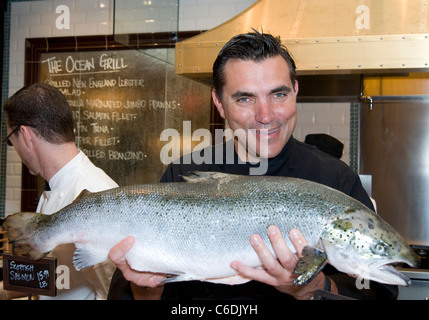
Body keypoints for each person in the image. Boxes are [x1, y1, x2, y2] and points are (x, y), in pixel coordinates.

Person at [107, 31, 397, 300]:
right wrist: (144, 285)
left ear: (295, 92)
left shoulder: (335, 180)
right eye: (245, 98)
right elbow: (136, 294)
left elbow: (380, 291)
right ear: (219, 103)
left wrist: (312, 287)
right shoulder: (182, 175)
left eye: (278, 94)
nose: (266, 115)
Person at [1, 83, 119, 300]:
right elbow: (53, 275)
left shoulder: (93, 195)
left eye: (11, 140)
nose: (15, 148)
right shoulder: (56, 185)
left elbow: (114, 292)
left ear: (25, 135)